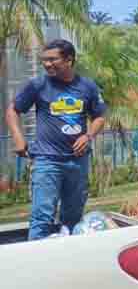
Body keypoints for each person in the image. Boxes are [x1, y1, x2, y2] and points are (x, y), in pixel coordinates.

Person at [5, 39, 107, 240]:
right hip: (47, 160)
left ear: (69, 59)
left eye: (52, 59)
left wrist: (89, 136)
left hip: (78, 162)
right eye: (44, 60)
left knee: (73, 218)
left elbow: (99, 116)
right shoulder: (38, 85)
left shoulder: (87, 86)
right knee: (42, 217)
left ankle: (67, 263)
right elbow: (12, 110)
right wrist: (18, 138)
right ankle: (36, 264)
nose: (47, 64)